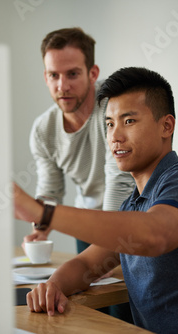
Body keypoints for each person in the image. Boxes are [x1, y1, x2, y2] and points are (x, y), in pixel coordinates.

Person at [13, 67, 178, 333]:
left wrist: (44, 212)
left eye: (129, 121)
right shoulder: (132, 204)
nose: (115, 136)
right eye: (109, 124)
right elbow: (87, 263)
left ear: (166, 126)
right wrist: (54, 285)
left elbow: (154, 235)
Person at [26, 27, 134, 254]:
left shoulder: (112, 106)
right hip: (89, 223)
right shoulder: (43, 130)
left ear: (93, 73)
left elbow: (119, 181)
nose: (62, 86)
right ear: (46, 77)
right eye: (54, 75)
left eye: (72, 74)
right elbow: (50, 189)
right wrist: (42, 226)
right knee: (87, 288)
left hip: (131, 219)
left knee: (128, 288)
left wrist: (107, 245)